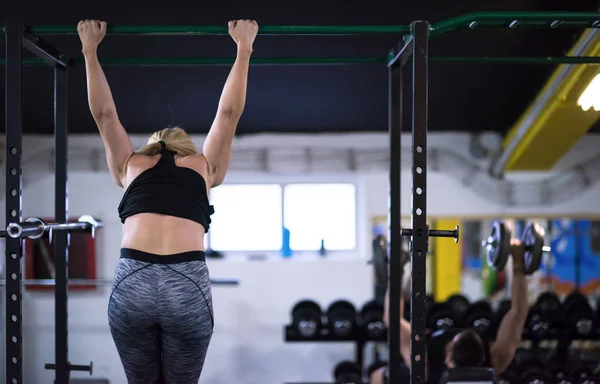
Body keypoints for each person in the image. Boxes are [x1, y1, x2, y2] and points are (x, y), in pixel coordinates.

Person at [77, 18, 258, 384]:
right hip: (185, 284)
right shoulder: (204, 166)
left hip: (133, 282)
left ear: (151, 146)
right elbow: (228, 114)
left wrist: (89, 50)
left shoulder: (131, 165)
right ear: (185, 148)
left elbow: (104, 115)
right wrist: (243, 48)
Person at [370, 238, 529, 384]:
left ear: (447, 358)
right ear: (482, 356)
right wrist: (518, 264)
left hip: (425, 373)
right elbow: (518, 312)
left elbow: (392, 320)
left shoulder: (424, 365)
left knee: (377, 376)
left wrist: (396, 271)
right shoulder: (494, 359)